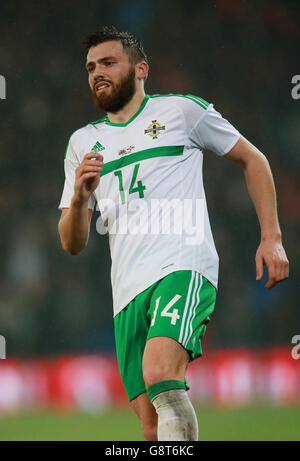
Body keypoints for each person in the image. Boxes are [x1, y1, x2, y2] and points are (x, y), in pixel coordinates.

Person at [58, 26, 289, 441]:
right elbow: (72, 243)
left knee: (161, 373)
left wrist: (271, 236)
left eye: (109, 62)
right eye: (91, 67)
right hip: (126, 290)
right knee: (152, 427)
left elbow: (253, 160)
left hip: (183, 264)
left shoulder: (181, 112)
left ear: (140, 69)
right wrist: (78, 197)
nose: (97, 73)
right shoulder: (82, 143)